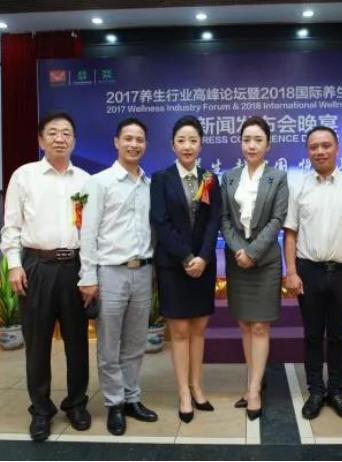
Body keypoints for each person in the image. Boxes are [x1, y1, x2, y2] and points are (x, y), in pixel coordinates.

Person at [1, 111, 91, 442]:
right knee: (37, 344)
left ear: (74, 141)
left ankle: (76, 404)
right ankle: (41, 410)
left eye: (66, 133)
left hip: (75, 267)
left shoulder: (85, 181)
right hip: (36, 266)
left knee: (78, 343)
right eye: (52, 132)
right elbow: (11, 225)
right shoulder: (24, 176)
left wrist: (90, 273)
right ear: (41, 140)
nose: (60, 138)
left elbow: (90, 231)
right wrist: (14, 264)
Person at [283, 126, 342, 421]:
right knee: (311, 335)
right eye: (313, 147)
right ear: (307, 152)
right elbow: (290, 233)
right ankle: (315, 391)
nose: (320, 151)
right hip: (308, 271)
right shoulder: (298, 187)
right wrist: (291, 271)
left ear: (337, 148)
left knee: (337, 336)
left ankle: (336, 391)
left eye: (326, 145)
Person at [78, 117, 158, 436]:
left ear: (145, 145)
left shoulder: (150, 185)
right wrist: (88, 276)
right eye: (128, 138)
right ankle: (114, 403)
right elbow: (88, 232)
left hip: (143, 271)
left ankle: (132, 398)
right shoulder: (99, 183)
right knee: (109, 344)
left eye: (139, 139)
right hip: (111, 272)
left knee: (136, 342)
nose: (134, 144)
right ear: (116, 142)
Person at [150, 116, 222, 423]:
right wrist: (186, 256)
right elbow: (161, 222)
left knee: (199, 329)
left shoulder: (210, 179)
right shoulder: (161, 178)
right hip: (172, 265)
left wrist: (203, 257)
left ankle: (197, 386)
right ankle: (182, 392)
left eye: (193, 140)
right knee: (179, 331)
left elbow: (214, 221)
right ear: (172, 145)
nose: (187, 146)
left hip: (203, 266)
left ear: (201, 145)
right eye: (182, 140)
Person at [221, 116, 288, 421]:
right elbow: (224, 219)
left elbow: (277, 220)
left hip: (265, 261)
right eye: (247, 139)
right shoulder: (229, 177)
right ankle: (253, 381)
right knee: (245, 325)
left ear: (268, 145)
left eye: (258, 140)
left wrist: (252, 252)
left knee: (260, 325)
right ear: (240, 143)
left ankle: (255, 390)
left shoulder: (278, 178)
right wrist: (240, 250)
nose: (252, 145)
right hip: (238, 261)